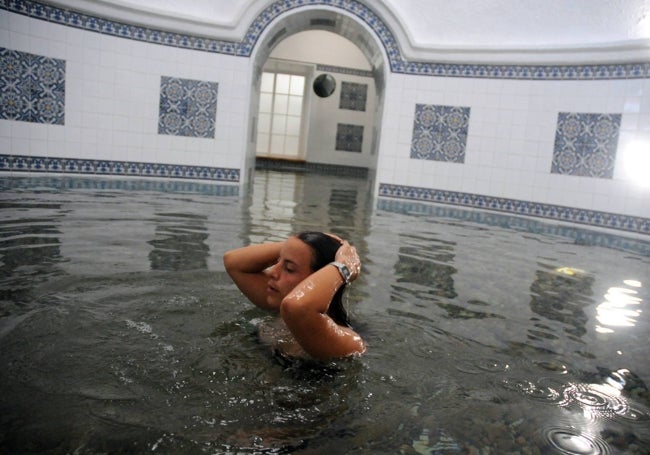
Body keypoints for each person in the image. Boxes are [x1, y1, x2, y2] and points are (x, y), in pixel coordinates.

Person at [223, 231, 366, 360]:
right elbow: (233, 262)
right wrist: (298, 246)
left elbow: (298, 307)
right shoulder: (280, 303)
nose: (273, 272)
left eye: (289, 269)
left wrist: (346, 266)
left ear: (316, 278)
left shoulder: (350, 342)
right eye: (278, 261)